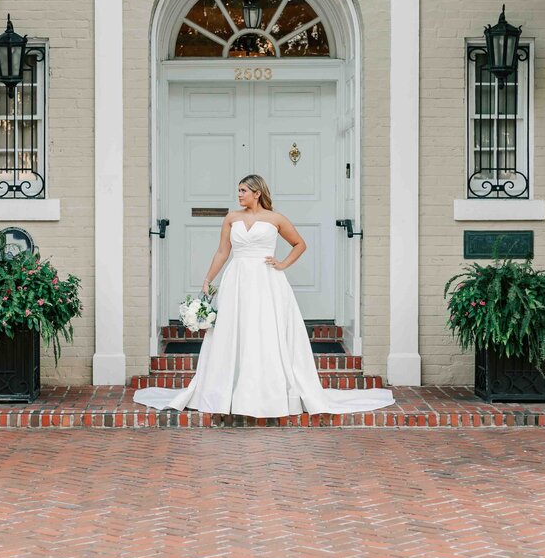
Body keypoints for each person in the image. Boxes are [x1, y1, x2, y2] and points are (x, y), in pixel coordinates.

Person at [133, 174, 395, 417]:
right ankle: (227, 390)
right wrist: (207, 279)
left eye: (243, 191)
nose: (239, 195)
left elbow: (300, 244)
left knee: (265, 329)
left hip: (267, 281)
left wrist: (282, 264)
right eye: (238, 191)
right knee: (235, 330)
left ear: (257, 193)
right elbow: (222, 252)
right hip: (237, 279)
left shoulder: (275, 218)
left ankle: (266, 393)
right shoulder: (231, 218)